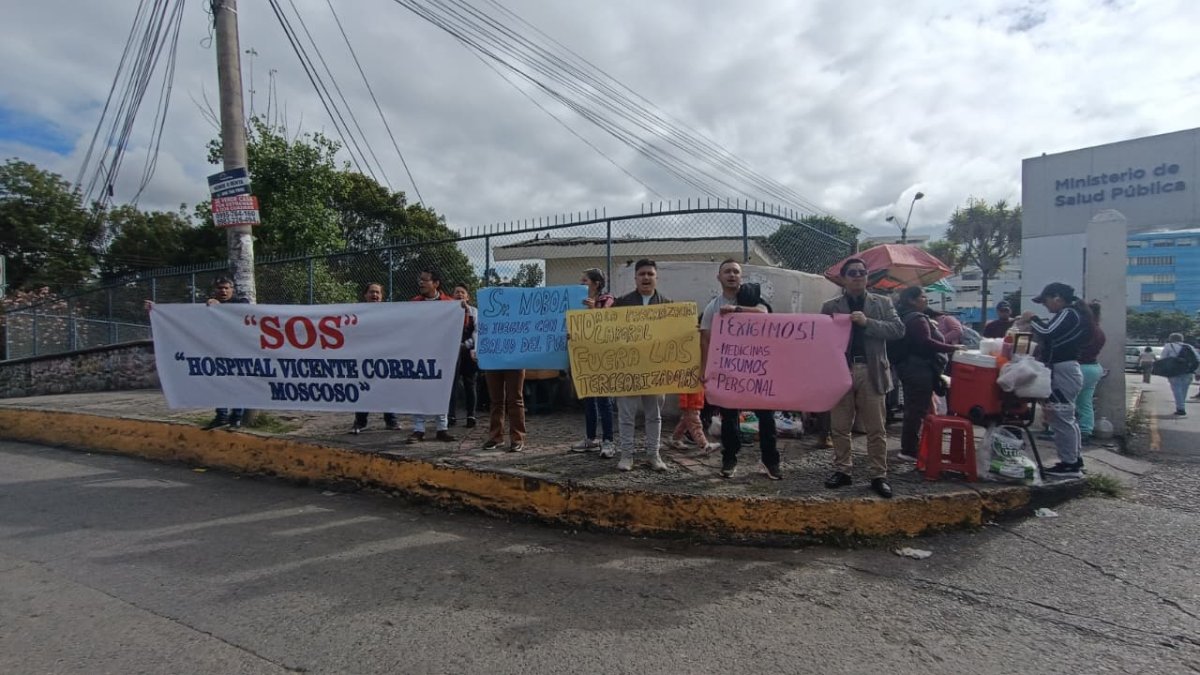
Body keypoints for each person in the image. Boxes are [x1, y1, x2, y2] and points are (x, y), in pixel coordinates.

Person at [820, 258, 906, 498]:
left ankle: (879, 475)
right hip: (840, 371)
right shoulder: (830, 306)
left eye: (862, 272)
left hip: (872, 370)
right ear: (844, 278)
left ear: (867, 277)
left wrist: (867, 323)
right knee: (839, 426)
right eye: (852, 273)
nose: (857, 276)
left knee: (876, 428)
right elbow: (821, 340)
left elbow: (898, 330)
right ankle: (843, 470)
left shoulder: (883, 303)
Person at [699, 259, 779, 480]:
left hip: (757, 368)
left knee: (766, 415)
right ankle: (730, 459)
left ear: (741, 277)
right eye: (727, 271)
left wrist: (736, 310)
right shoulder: (712, 307)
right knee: (729, 417)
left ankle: (770, 460)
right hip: (729, 369)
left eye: (736, 271)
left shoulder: (751, 296)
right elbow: (706, 340)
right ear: (719, 277)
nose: (732, 275)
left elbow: (764, 314)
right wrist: (704, 370)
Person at [1017, 282, 1093, 478]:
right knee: (1066, 419)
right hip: (1064, 370)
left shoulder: (1068, 313)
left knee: (1062, 419)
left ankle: (1069, 465)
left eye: (1046, 301)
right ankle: (1073, 460)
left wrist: (1032, 319)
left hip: (1064, 370)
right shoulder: (1072, 315)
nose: (1046, 306)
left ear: (1057, 297)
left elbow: (1048, 332)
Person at [612, 259, 671, 472]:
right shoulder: (621, 303)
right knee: (626, 415)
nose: (646, 277)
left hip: (655, 370)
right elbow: (606, 334)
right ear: (635, 277)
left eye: (650, 274)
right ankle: (626, 456)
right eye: (642, 274)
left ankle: (653, 455)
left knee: (654, 415)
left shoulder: (668, 306)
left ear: (656, 277)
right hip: (628, 369)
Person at [891, 287, 962, 463]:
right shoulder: (916, 319)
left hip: (909, 368)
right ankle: (909, 450)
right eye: (923, 297)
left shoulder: (907, 315)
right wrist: (953, 348)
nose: (926, 300)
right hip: (918, 369)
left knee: (916, 408)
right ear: (912, 300)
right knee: (916, 410)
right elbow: (926, 342)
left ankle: (914, 446)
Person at [571, 268, 617, 457]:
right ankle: (590, 439)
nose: (581, 283)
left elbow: (606, 324)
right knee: (589, 399)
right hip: (585, 355)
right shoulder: (576, 302)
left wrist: (592, 310)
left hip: (603, 356)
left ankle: (608, 441)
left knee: (604, 400)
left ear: (596, 283)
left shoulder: (607, 300)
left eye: (585, 280)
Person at [407, 270, 457, 443]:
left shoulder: (450, 304)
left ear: (436, 284)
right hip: (419, 354)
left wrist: (463, 310)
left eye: (425, 280)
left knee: (441, 391)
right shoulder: (413, 303)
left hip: (442, 355)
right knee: (418, 390)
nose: (421, 283)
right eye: (419, 279)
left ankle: (442, 428)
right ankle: (418, 429)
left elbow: (463, 324)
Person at [199, 277, 250, 429]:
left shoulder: (241, 303)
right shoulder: (208, 304)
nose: (223, 291)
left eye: (226, 288)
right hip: (217, 350)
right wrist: (155, 309)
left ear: (232, 289)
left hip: (238, 351)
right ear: (215, 290)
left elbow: (242, 311)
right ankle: (221, 416)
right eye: (220, 288)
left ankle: (236, 418)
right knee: (218, 383)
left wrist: (220, 306)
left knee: (237, 383)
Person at [351, 283, 398, 433]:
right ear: (365, 295)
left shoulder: (389, 313)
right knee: (363, 387)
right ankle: (360, 422)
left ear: (382, 296)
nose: (374, 295)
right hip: (363, 357)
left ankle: (391, 421)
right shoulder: (357, 313)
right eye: (371, 292)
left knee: (386, 388)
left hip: (384, 356)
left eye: (377, 293)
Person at [447, 283, 479, 429]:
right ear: (452, 296)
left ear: (468, 297)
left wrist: (466, 345)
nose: (459, 295)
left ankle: (471, 415)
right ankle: (450, 415)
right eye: (456, 292)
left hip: (468, 353)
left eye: (462, 292)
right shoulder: (447, 312)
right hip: (451, 352)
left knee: (470, 383)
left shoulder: (474, 312)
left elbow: (478, 331)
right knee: (451, 385)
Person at [1075, 301, 1106, 440]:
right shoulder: (1099, 331)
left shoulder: (1083, 330)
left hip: (1079, 367)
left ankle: (1056, 430)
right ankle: (1086, 430)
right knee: (1085, 401)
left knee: (1065, 401)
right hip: (1094, 368)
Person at [1160, 333, 1198, 416]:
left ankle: (1180, 408)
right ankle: (1181, 406)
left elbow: (1163, 358)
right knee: (1184, 390)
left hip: (1174, 371)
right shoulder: (1189, 346)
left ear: (1171, 338)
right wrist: (1197, 372)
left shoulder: (1168, 346)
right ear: (1182, 339)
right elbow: (1197, 359)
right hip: (1188, 371)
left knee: (1176, 389)